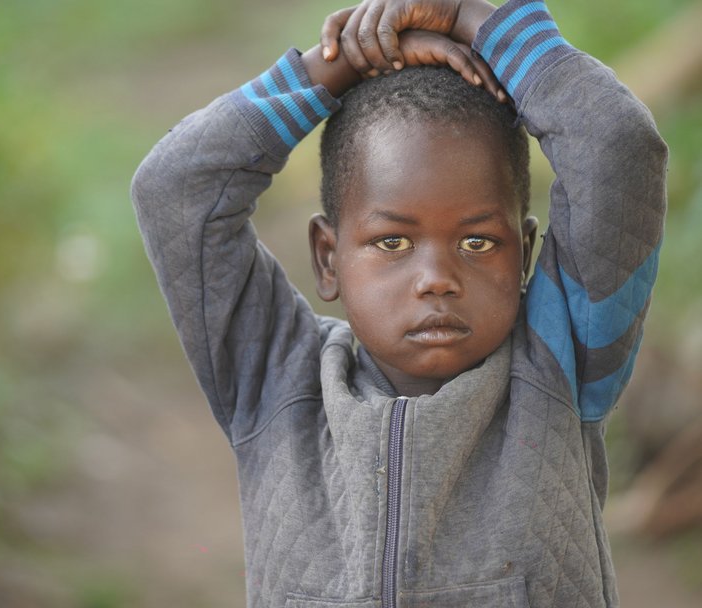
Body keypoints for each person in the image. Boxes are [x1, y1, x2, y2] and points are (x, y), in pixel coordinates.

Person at [131, 0, 667, 606]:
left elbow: (618, 146)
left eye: (477, 241)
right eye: (392, 241)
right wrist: (334, 68)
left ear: (523, 256)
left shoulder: (561, 365)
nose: (436, 278)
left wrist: (474, 19)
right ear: (328, 257)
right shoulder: (276, 382)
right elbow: (175, 188)